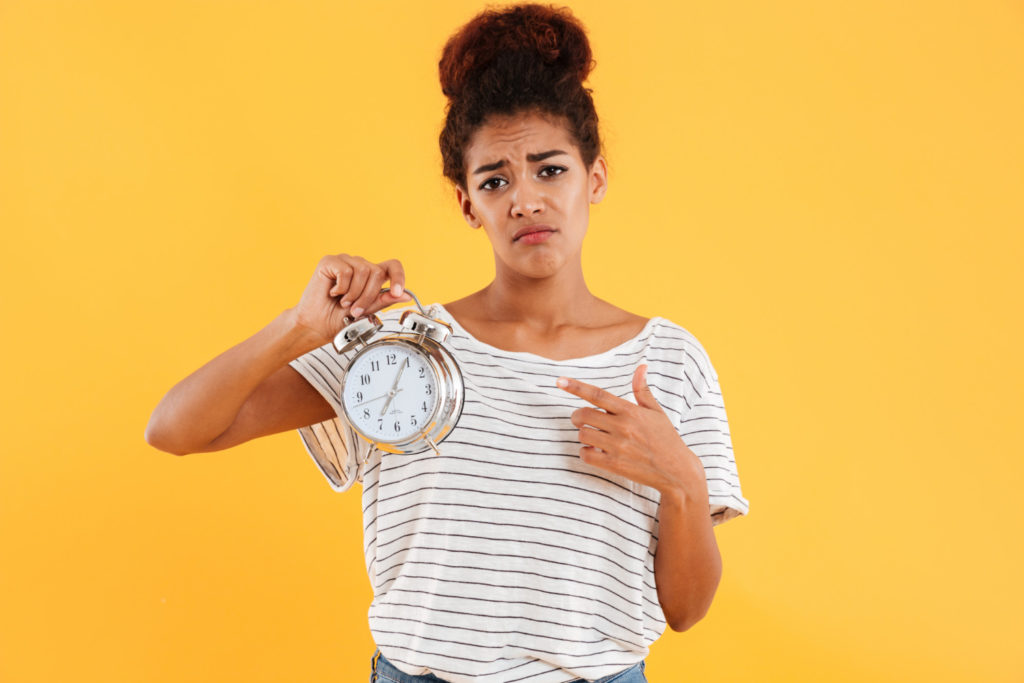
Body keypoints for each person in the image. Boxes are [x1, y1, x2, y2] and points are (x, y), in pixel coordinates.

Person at [145, 4, 749, 682]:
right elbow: (174, 427)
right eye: (495, 179)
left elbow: (686, 609)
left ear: (595, 178)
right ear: (468, 203)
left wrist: (684, 481)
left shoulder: (668, 361)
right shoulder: (400, 349)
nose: (525, 199)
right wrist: (301, 327)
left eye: (550, 169)